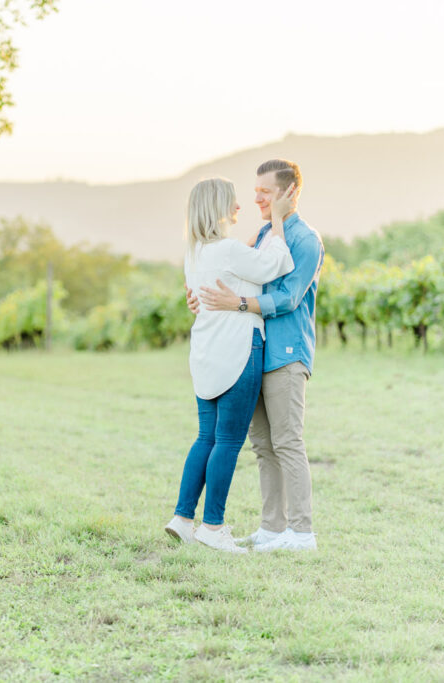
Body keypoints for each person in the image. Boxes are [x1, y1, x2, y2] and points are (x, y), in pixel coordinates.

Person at [189, 159, 324, 552]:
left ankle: (302, 533)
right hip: (255, 355)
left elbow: (289, 296)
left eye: (266, 191)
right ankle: (272, 528)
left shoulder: (305, 239)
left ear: (290, 193)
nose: (257, 198)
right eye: (257, 190)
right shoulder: (265, 235)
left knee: (288, 442)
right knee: (263, 446)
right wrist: (204, 297)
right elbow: (232, 275)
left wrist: (239, 303)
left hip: (286, 353)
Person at [165, 177, 295, 554]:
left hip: (205, 353)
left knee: (206, 437)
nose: (240, 208)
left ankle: (183, 518)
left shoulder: (196, 252)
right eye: (233, 203)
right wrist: (279, 222)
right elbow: (276, 264)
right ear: (218, 208)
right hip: (238, 350)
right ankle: (214, 526)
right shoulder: (227, 250)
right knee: (227, 441)